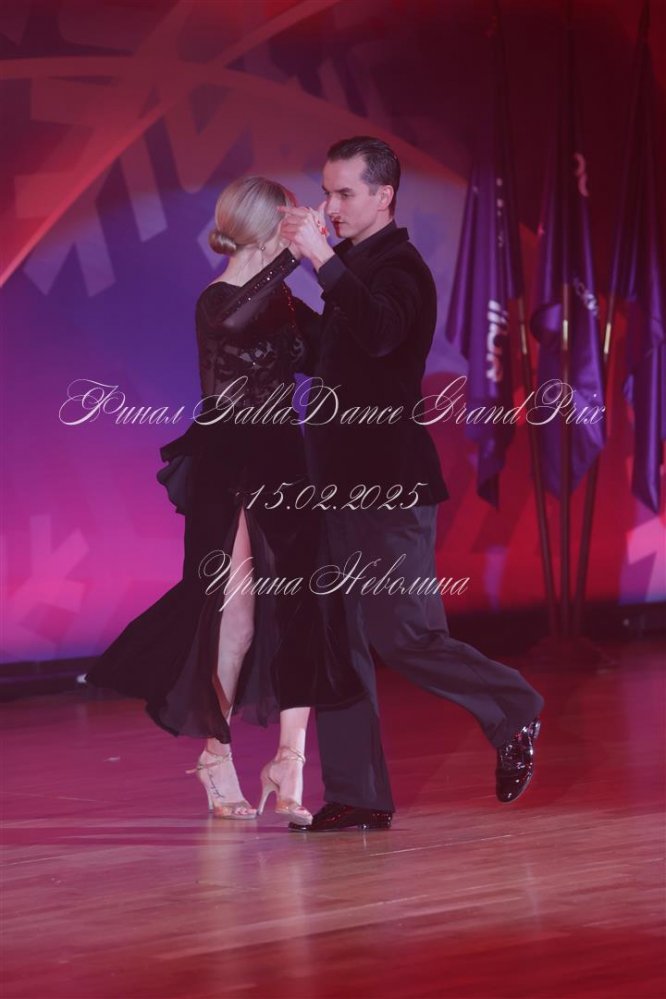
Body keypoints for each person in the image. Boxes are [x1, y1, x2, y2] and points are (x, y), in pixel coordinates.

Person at [279, 136, 545, 832]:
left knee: (405, 633)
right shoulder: (353, 268)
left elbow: (378, 334)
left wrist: (320, 260)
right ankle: (359, 794)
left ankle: (513, 705)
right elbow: (336, 354)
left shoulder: (401, 269)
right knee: (338, 638)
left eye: (345, 193)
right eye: (327, 192)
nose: (331, 207)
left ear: (384, 195)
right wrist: (275, 303)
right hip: (333, 483)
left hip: (388, 486)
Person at [86, 176, 358, 825]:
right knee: (235, 617)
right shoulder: (217, 299)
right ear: (263, 225)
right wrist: (299, 253)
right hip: (229, 459)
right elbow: (236, 315)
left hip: (284, 457)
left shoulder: (284, 297)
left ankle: (290, 762)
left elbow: (333, 351)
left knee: (301, 605)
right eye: (287, 218)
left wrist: (336, 270)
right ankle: (217, 753)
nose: (298, 225)